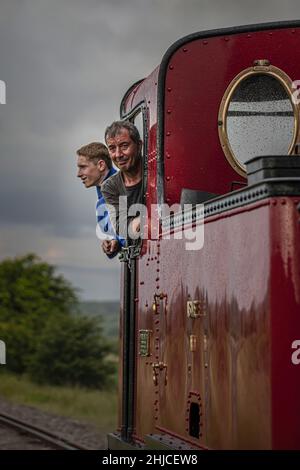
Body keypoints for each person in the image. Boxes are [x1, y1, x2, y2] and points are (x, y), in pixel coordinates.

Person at [76, 142, 125, 257]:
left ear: (101, 165)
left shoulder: (126, 186)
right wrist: (111, 243)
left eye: (83, 167)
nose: (78, 174)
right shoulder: (100, 203)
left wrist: (118, 240)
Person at [101, 121, 143, 250]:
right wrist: (148, 217)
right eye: (112, 148)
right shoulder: (110, 187)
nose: (118, 154)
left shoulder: (158, 172)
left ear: (139, 146)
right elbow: (122, 228)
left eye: (124, 146)